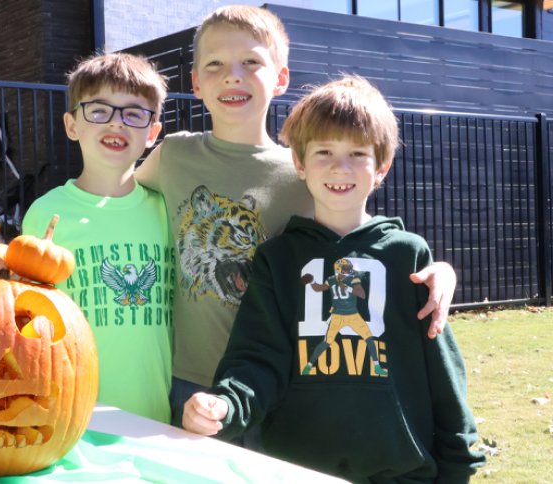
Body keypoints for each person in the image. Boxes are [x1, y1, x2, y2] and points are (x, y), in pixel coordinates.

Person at [134, 4, 456, 423]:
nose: (232, 75)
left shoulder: (307, 169)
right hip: (190, 381)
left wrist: (440, 270)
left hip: (280, 383)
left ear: (281, 78)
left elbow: (362, 242)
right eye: (215, 64)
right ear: (195, 82)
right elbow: (115, 203)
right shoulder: (172, 155)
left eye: (251, 62)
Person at [180, 75, 486, 482]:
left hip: (401, 473)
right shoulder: (277, 259)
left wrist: (459, 462)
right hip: (296, 472)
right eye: (324, 151)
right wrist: (226, 405)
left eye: (357, 153)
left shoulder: (408, 256)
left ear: (381, 167)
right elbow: (257, 359)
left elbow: (442, 371)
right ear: (300, 163)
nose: (340, 167)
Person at [22, 53, 173, 423]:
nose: (116, 123)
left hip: (158, 417)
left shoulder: (167, 209)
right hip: (74, 417)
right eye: (100, 110)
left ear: (152, 133)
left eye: (134, 114)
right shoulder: (46, 213)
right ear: (72, 125)